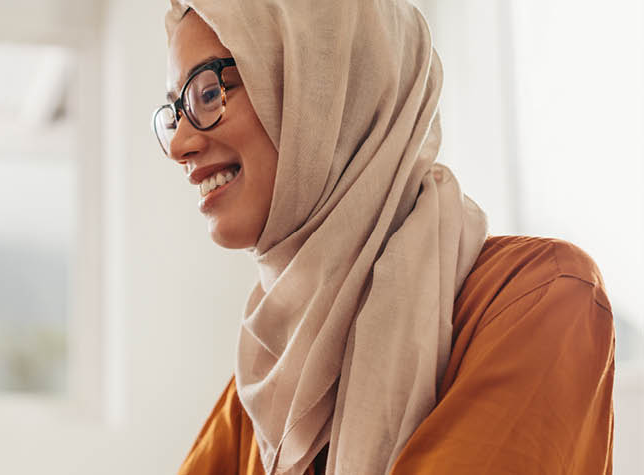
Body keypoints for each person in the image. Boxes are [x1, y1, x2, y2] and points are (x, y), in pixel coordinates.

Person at [153, 1, 616, 474]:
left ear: (326, 84)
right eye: (174, 110)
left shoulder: (540, 299)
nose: (176, 145)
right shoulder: (261, 390)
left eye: (208, 94)